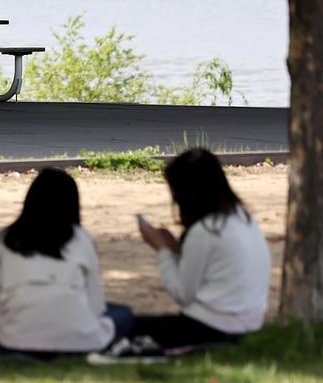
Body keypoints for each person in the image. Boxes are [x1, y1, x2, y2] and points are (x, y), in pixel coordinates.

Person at [107, 148, 270, 358]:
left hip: (210, 328)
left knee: (122, 324)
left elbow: (183, 294)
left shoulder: (205, 230)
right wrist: (175, 251)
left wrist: (163, 250)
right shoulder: (242, 219)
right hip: (247, 324)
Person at [0, 168, 134, 358]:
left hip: (15, 340)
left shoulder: (4, 239)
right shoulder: (81, 238)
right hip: (80, 341)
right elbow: (96, 305)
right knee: (123, 314)